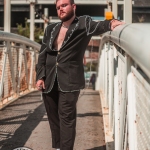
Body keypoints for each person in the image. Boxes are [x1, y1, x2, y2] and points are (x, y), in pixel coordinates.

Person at [36, 0, 124, 149]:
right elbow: (43, 54)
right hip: (50, 78)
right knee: (53, 116)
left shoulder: (84, 23)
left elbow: (99, 26)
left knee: (66, 117)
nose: (60, 9)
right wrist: (40, 76)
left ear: (73, 6)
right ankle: (58, 147)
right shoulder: (51, 29)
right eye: (58, 7)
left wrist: (111, 23)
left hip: (70, 79)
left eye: (64, 5)